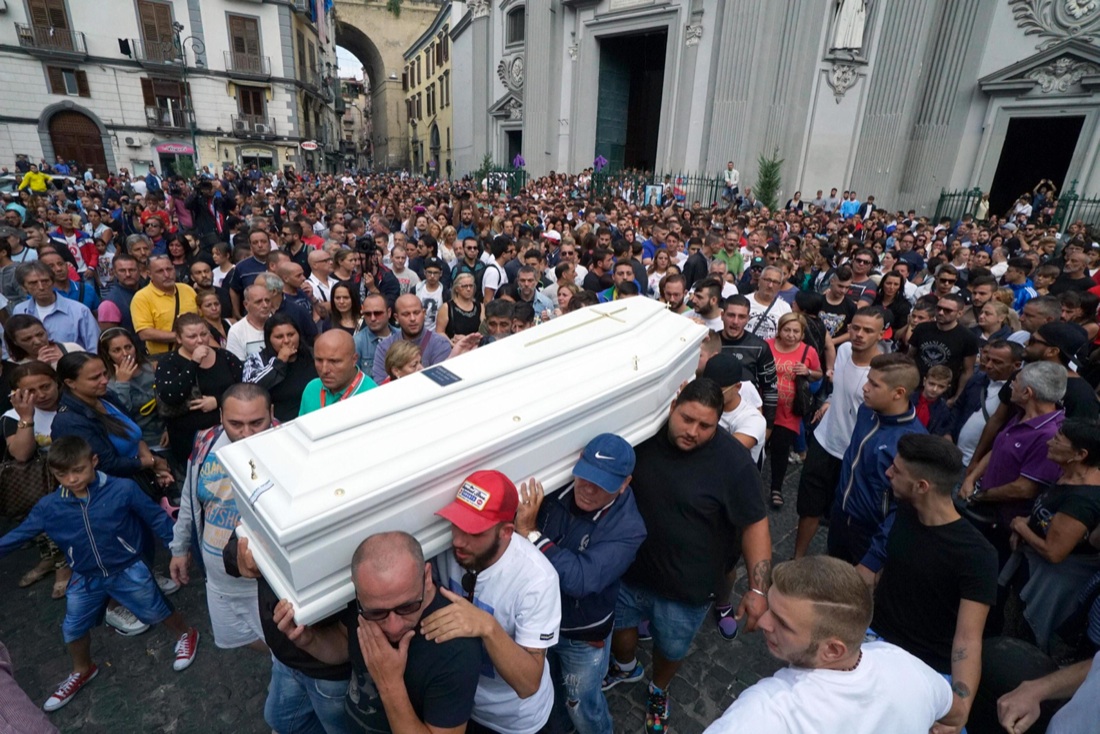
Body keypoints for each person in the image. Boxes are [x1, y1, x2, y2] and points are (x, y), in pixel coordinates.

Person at [605, 379, 771, 734]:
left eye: (705, 426)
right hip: (628, 573)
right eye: (687, 419)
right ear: (673, 407)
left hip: (687, 589)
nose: (693, 431)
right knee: (621, 633)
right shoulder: (644, 437)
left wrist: (758, 590)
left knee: (671, 647)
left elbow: (755, 523)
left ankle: (658, 690)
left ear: (719, 422)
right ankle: (625, 667)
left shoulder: (733, 463)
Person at [0, 436, 200, 712]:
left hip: (127, 569)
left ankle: (187, 634)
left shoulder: (123, 489)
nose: (71, 479)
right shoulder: (49, 507)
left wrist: (177, 549)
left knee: (156, 610)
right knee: (73, 627)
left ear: (93, 462)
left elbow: (156, 518)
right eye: (62, 474)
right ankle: (82, 670)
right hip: (84, 577)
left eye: (78, 470)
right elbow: (18, 536)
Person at [702, 557, 952, 734]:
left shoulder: (771, 708)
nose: (764, 622)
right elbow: (952, 711)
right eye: (770, 606)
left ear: (833, 650)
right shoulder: (904, 665)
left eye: (783, 623)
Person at [272, 531, 481, 733]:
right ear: (357, 589)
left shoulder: (455, 648)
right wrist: (308, 640)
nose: (393, 626)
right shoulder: (365, 602)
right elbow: (345, 642)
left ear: (426, 577)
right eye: (378, 613)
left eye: (407, 607)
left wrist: (390, 683)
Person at [513, 434, 648, 734]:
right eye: (585, 476)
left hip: (581, 636)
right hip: (538, 624)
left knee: (582, 706)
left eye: (602, 484)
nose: (588, 489)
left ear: (625, 484)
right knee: (550, 694)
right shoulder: (555, 488)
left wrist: (531, 534)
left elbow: (580, 579)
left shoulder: (629, 529)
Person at [871, 434, 998, 733]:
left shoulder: (978, 555)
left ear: (922, 486)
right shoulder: (906, 510)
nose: (889, 472)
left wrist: (961, 704)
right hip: (876, 643)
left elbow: (968, 639)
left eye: (898, 470)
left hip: (929, 668)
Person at [426, 470, 561, 734]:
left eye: (474, 532)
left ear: (506, 532)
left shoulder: (537, 579)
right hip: (465, 708)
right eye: (456, 524)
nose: (458, 540)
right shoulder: (446, 552)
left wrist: (487, 627)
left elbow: (528, 683)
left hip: (517, 722)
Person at [169, 384, 273, 652]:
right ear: (220, 418)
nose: (246, 433)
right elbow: (190, 499)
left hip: (264, 583)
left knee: (286, 650)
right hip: (217, 579)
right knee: (241, 639)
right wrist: (179, 548)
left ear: (271, 414)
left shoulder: (286, 448)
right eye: (235, 423)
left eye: (256, 422)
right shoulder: (205, 443)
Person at [793, 306, 886, 559]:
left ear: (881, 335)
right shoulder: (843, 351)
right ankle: (797, 558)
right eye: (855, 328)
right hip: (824, 442)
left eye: (868, 330)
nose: (859, 334)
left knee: (843, 514)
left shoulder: (883, 371)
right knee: (809, 506)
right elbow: (842, 388)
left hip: (853, 453)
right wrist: (830, 401)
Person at [827, 353, 926, 581]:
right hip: (842, 517)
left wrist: (874, 558)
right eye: (868, 379)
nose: (865, 387)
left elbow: (904, 510)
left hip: (869, 534)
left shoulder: (912, 443)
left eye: (874, 384)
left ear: (898, 393)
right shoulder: (866, 411)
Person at [1004, 419, 1100, 652]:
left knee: (1023, 643)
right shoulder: (1069, 475)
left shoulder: (1082, 501)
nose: (1049, 442)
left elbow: (1054, 552)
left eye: (1057, 440)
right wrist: (1029, 523)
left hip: (1050, 587)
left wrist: (1021, 527)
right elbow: (1048, 516)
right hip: (1031, 570)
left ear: (1080, 454)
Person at [2, 361, 68, 598]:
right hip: (36, 485)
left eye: (45, 386)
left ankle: (64, 569)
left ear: (57, 383)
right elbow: (21, 453)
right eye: (30, 391)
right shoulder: (11, 417)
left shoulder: (71, 405)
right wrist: (27, 417)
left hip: (71, 482)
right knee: (41, 527)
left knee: (60, 528)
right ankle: (49, 560)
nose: (40, 395)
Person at [154, 314, 243, 464]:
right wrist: (194, 362)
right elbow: (171, 395)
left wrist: (218, 401)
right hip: (189, 439)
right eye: (192, 336)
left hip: (227, 434)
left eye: (203, 334)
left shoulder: (225, 357)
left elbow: (244, 387)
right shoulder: (168, 362)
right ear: (179, 339)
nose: (200, 340)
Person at [767, 313, 822, 508]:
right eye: (787, 330)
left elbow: (818, 375)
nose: (791, 335)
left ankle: (776, 488)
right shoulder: (767, 345)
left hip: (789, 411)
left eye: (795, 331)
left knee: (781, 449)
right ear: (779, 330)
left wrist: (807, 372)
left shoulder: (808, 352)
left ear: (802, 334)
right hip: (764, 407)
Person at [98, 328, 165, 452]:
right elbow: (121, 417)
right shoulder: (106, 383)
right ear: (107, 354)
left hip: (165, 437)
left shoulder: (152, 369)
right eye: (116, 350)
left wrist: (170, 428)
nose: (125, 353)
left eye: (128, 347)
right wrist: (122, 383)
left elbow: (170, 401)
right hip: (139, 446)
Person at [243, 314, 318, 423]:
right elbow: (249, 391)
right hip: (278, 425)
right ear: (269, 339)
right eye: (279, 337)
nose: (286, 341)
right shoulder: (256, 359)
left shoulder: (312, 355)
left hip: (313, 418)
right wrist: (279, 362)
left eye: (291, 334)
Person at [718, 295, 779, 428]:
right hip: (714, 417)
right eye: (731, 315)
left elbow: (770, 390)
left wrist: (767, 427)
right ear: (722, 315)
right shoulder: (712, 342)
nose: (735, 321)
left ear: (748, 319)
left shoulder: (759, 347)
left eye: (741, 317)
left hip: (748, 419)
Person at [907, 293, 979, 404]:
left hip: (942, 393)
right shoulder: (922, 328)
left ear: (959, 313)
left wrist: (956, 397)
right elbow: (910, 357)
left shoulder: (968, 338)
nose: (941, 313)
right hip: (915, 388)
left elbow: (967, 371)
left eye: (947, 310)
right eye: (939, 308)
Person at [13, 262, 98, 351]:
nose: (41, 287)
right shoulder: (20, 311)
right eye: (33, 283)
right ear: (23, 287)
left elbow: (94, 348)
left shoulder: (79, 311)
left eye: (45, 281)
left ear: (53, 282)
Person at [371, 294, 452, 384]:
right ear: (396, 317)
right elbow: (380, 386)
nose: (412, 319)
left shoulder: (440, 344)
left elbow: (440, 382)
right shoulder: (384, 347)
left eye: (416, 313)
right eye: (406, 314)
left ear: (424, 313)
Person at [130, 255, 200, 356]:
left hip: (195, 353)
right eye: (160, 271)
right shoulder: (141, 298)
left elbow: (202, 318)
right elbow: (144, 333)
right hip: (163, 357)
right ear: (150, 274)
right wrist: (182, 337)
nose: (167, 275)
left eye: (169, 269)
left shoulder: (187, 289)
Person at [299, 330, 378, 416]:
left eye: (334, 361)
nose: (324, 370)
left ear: (354, 360)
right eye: (319, 360)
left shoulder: (372, 395)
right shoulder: (311, 389)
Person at [4, 315, 83, 367]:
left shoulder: (71, 348)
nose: (37, 342)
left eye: (40, 334)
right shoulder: (13, 365)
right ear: (15, 342)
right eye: (27, 339)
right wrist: (40, 367)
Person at [225, 283, 273, 361]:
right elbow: (236, 365)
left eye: (267, 300)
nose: (265, 305)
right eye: (258, 302)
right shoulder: (236, 331)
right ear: (246, 305)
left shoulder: (282, 324)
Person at [745, 266, 792, 341]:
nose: (770, 285)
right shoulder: (744, 301)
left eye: (775, 282)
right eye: (767, 280)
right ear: (759, 281)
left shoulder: (785, 308)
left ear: (780, 286)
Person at [437, 272, 484, 342]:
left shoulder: (480, 306)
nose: (468, 289)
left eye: (471, 286)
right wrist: (451, 343)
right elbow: (439, 332)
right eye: (465, 286)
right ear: (456, 289)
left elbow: (484, 331)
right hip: (454, 347)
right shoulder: (447, 307)